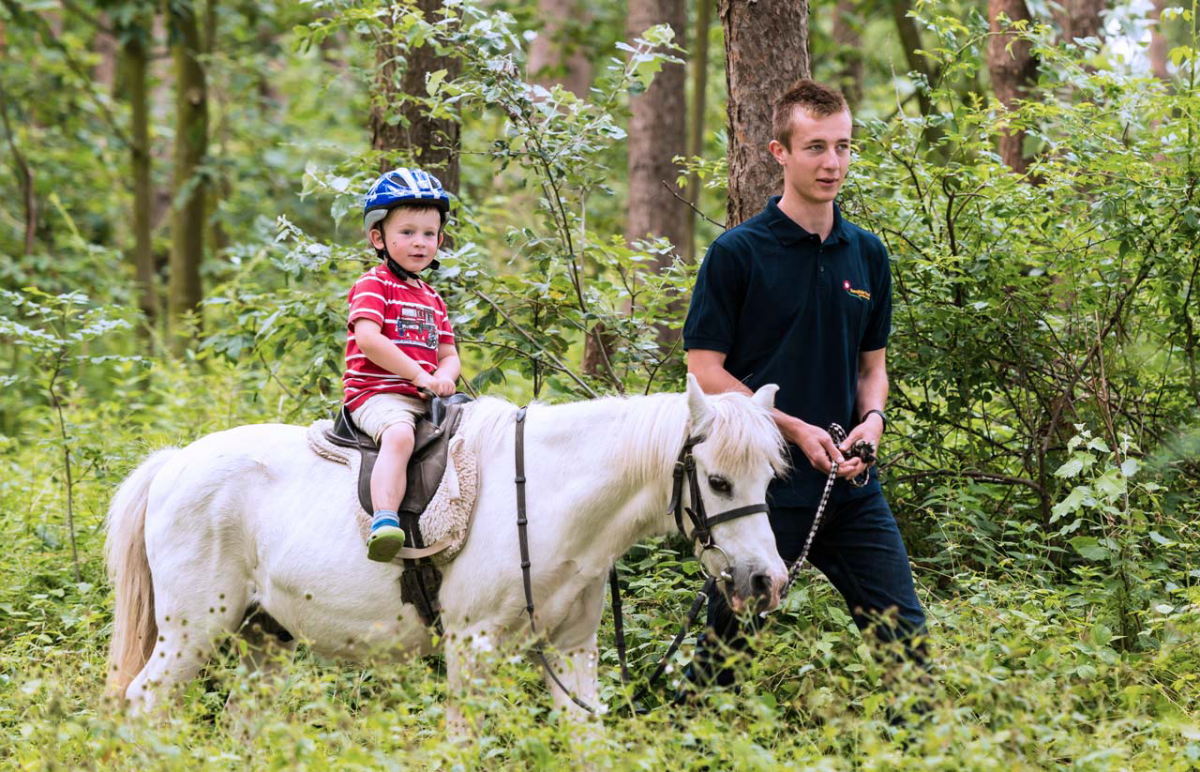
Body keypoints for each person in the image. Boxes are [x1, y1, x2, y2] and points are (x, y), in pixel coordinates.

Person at [682, 79, 927, 690]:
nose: (832, 163)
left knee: (906, 642)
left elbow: (873, 367)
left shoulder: (866, 253)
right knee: (729, 654)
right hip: (761, 487)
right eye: (815, 147)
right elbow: (703, 368)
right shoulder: (738, 253)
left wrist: (872, 422)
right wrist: (789, 425)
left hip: (850, 482)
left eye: (843, 147)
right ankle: (691, 742)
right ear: (779, 153)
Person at [343, 167, 461, 563]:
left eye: (429, 234)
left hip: (423, 395)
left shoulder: (433, 298)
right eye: (407, 232)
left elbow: (448, 354)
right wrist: (419, 375)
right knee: (399, 436)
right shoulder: (373, 284)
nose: (420, 243)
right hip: (377, 395)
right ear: (378, 237)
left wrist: (444, 377)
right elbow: (369, 340)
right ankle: (385, 520)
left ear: (440, 240)